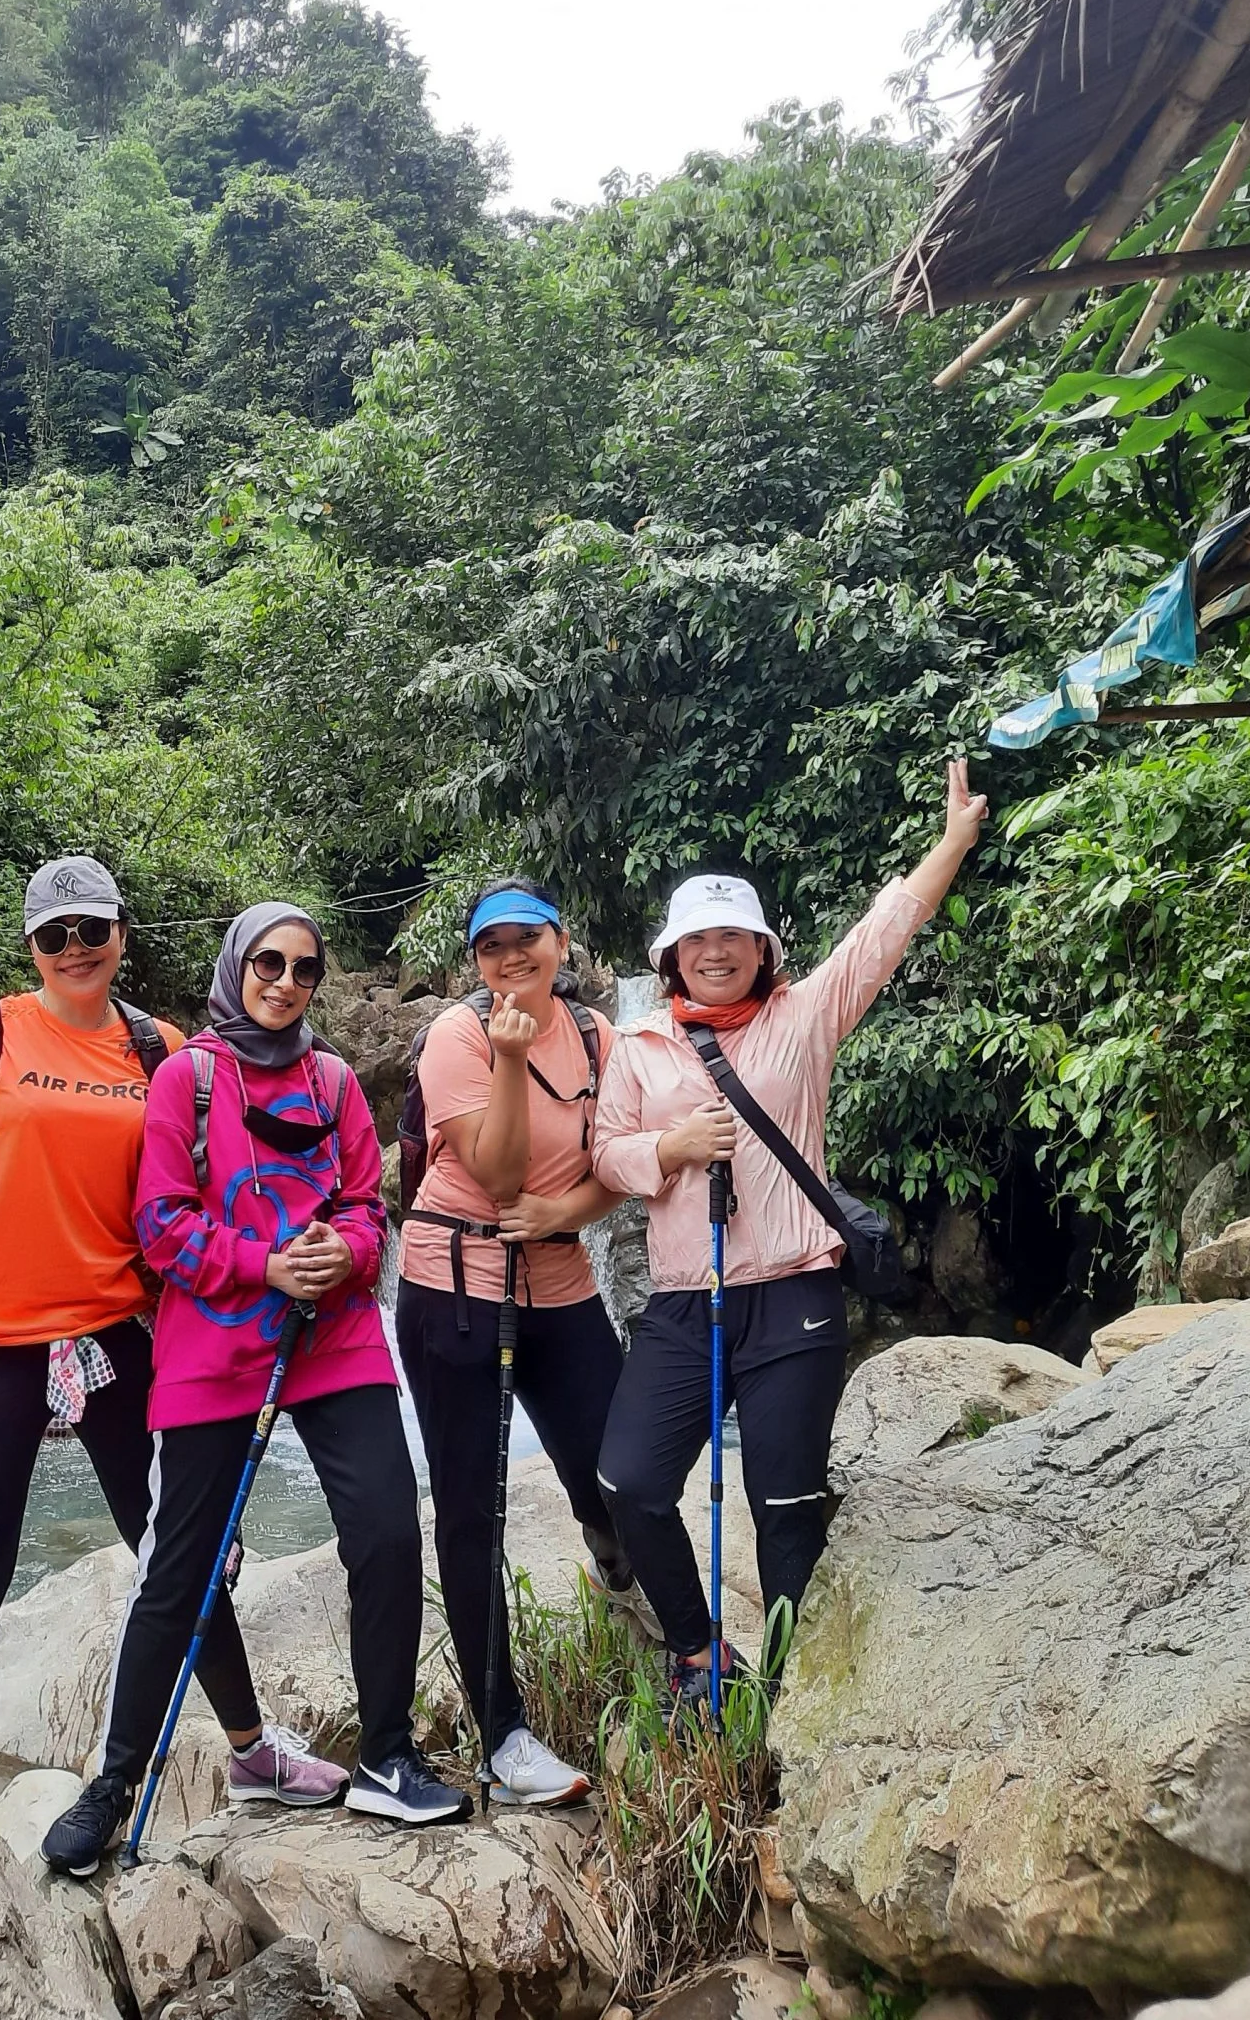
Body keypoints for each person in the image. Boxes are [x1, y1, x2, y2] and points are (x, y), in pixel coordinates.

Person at [0, 856, 333, 1814]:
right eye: (56, 935)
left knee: (179, 1547)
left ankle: (252, 1753)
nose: (76, 949)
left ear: (122, 933)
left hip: (112, 1326)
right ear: (32, 946)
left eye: (93, 930)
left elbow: (206, 1185)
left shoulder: (162, 1049)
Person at [43, 901, 468, 1877]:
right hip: (217, 1340)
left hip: (335, 1336)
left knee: (390, 1528)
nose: (284, 980)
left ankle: (388, 1755)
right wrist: (266, 1262)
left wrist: (344, 1253)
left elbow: (371, 1209)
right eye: (268, 962)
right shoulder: (187, 1081)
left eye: (304, 968)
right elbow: (161, 1225)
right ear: (237, 966)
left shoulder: (333, 1084)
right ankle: (112, 1783)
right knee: (179, 1569)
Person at [593, 760, 989, 1710]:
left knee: (785, 1508)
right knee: (628, 1480)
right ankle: (697, 1651)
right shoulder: (639, 1047)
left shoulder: (803, 1017)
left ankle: (786, 1690)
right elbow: (607, 1155)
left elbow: (883, 934)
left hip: (796, 1296)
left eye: (734, 934)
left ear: (763, 947)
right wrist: (672, 1147)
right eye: (698, 938)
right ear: (671, 957)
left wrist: (955, 841)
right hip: (689, 1301)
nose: (716, 950)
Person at [397, 876, 632, 1806]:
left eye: (524, 939)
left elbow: (620, 1165)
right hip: (454, 1283)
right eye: (490, 947)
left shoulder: (604, 1039)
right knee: (470, 1508)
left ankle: (631, 1584)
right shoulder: (456, 1037)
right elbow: (493, 1174)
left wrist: (564, 1208)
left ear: (560, 941)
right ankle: (504, 1733)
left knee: (619, 1469)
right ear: (476, 961)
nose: (509, 958)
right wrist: (504, 1058)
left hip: (561, 1273)